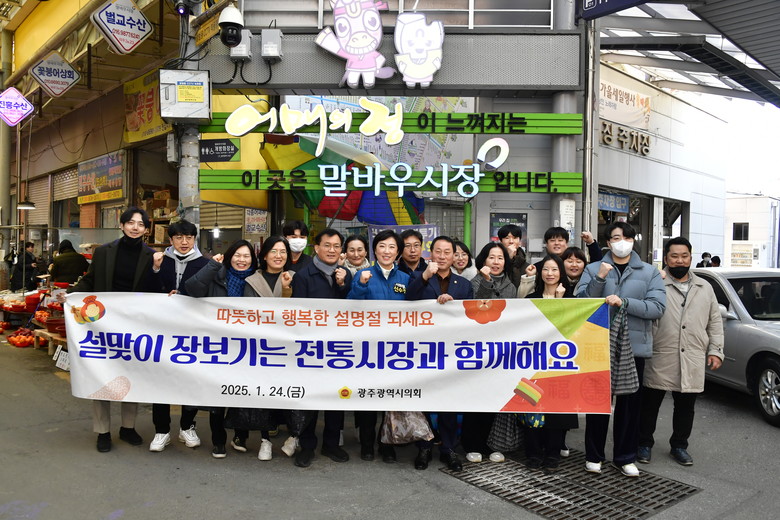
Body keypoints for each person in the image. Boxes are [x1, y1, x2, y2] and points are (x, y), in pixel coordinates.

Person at [575, 222, 666, 477]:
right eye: (616, 237)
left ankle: (625, 457)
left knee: (629, 406)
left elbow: (657, 307)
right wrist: (600, 278)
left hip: (633, 348)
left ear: (633, 241)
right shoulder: (594, 268)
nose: (622, 242)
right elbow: (580, 303)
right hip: (598, 346)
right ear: (608, 242)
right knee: (598, 404)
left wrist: (624, 302)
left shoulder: (649, 272)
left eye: (627, 237)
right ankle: (594, 455)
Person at [69, 207, 160, 453]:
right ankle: (103, 431)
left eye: (140, 224)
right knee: (102, 374)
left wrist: (157, 273)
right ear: (121, 225)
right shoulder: (103, 252)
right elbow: (91, 279)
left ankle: (128, 427)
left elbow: (155, 289)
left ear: (146, 229)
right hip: (103, 323)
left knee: (131, 373)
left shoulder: (152, 256)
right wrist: (71, 294)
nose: (135, 227)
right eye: (130, 222)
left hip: (134, 324)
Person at [638, 237, 724, 466]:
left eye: (684, 256)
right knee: (650, 404)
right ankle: (643, 443)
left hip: (692, 354)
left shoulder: (704, 287)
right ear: (666, 259)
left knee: (686, 406)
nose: (680, 260)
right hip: (659, 352)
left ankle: (679, 446)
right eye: (674, 256)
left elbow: (715, 321)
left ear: (691, 257)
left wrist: (716, 350)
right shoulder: (655, 283)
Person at [185, 239, 266, 459]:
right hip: (218, 345)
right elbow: (192, 288)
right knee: (217, 395)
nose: (242, 260)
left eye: (246, 256)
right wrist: (212, 265)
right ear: (229, 257)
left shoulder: (256, 280)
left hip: (245, 347)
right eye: (237, 255)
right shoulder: (217, 275)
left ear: (253, 259)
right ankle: (218, 441)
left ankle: (240, 435)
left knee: (242, 392)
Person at [406, 235, 474, 472]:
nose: (442, 256)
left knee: (449, 401)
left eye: (447, 252)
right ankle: (424, 447)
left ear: (455, 256)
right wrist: (425, 277)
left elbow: (470, 317)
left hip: (452, 352)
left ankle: (449, 448)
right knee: (424, 399)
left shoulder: (463, 285)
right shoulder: (418, 276)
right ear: (431, 253)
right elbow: (408, 299)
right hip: (423, 349)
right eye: (438, 251)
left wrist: (453, 307)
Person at [290, 228, 352, 468]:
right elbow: (299, 314)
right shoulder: (303, 276)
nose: (332, 250)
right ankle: (307, 446)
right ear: (316, 248)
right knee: (311, 398)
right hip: (312, 347)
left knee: (336, 397)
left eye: (337, 246)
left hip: (339, 347)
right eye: (327, 245)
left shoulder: (345, 274)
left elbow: (352, 308)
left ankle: (331, 444)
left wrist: (342, 284)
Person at [348, 229, 409, 463]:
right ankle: (367, 444)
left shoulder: (404, 279)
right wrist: (361, 285)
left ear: (398, 252)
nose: (386, 251)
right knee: (367, 398)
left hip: (395, 350)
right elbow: (350, 308)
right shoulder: (362, 274)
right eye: (382, 246)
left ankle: (387, 444)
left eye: (392, 247)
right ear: (375, 250)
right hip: (368, 349)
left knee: (390, 398)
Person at [148, 220, 209, 454]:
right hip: (162, 331)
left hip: (191, 332)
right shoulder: (160, 261)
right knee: (160, 379)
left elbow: (208, 296)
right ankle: (161, 430)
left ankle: (187, 426)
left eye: (189, 237)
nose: (184, 242)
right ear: (171, 240)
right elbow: (146, 291)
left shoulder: (204, 263)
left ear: (195, 239)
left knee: (190, 379)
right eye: (179, 237)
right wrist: (155, 271)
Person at [461, 241, 515, 465]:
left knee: (495, 398)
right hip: (476, 348)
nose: (496, 262)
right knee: (475, 397)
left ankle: (490, 443)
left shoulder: (511, 286)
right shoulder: (472, 282)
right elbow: (477, 306)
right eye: (491, 257)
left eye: (500, 258)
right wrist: (485, 281)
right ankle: (471, 444)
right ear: (483, 260)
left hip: (500, 350)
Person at [523, 254, 578, 470]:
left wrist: (559, 301)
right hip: (534, 363)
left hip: (560, 363)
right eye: (546, 269)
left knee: (558, 410)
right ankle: (533, 453)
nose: (550, 273)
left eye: (555, 269)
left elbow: (569, 329)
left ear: (561, 273)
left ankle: (553, 453)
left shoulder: (572, 300)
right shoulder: (531, 299)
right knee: (532, 408)